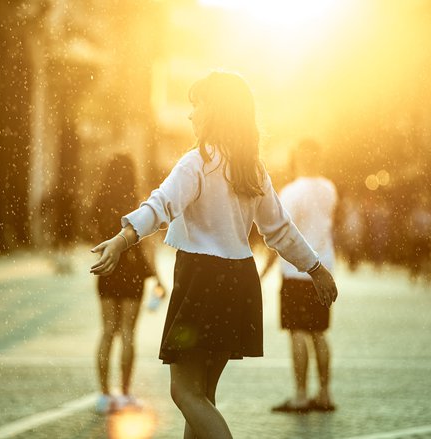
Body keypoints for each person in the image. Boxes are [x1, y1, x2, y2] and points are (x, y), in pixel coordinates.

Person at [90, 71, 338, 439]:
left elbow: (160, 205)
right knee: (203, 395)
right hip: (240, 281)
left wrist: (122, 239)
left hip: (202, 281)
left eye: (197, 105)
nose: (191, 115)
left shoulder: (197, 162)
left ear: (215, 111)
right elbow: (280, 230)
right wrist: (316, 268)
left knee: (184, 392)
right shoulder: (250, 167)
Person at [260, 139, 338, 413]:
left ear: (298, 159)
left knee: (297, 332)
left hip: (295, 270)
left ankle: (301, 395)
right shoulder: (330, 189)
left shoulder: (291, 192)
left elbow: (283, 235)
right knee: (319, 332)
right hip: (323, 268)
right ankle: (326, 394)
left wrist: (265, 269)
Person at [91, 153, 163, 414]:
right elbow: (146, 245)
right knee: (128, 332)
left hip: (107, 268)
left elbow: (92, 233)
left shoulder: (100, 201)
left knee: (108, 331)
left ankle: (103, 394)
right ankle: (124, 392)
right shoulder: (136, 202)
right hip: (132, 271)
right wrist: (158, 277)